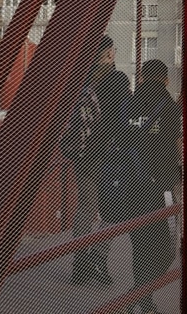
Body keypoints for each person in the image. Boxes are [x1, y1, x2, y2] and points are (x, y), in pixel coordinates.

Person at [62, 36, 126, 287]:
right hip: (108, 156)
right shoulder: (118, 79)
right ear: (109, 54)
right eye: (114, 50)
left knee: (86, 208)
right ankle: (98, 258)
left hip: (83, 153)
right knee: (112, 209)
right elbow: (125, 115)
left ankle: (80, 264)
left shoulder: (81, 81)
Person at [127, 58, 181, 314]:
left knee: (140, 245)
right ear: (166, 79)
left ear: (142, 78)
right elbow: (173, 145)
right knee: (170, 245)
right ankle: (136, 297)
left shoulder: (129, 103)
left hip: (133, 184)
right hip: (162, 186)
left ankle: (143, 301)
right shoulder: (170, 106)